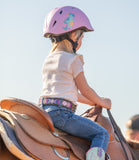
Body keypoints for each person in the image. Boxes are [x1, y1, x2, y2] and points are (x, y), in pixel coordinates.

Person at [39, 6, 111, 160]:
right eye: (82, 37)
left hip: (44, 111)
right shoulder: (73, 60)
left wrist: (93, 103)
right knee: (101, 133)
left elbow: (69, 93)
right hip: (62, 115)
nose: (81, 41)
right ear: (74, 34)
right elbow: (85, 90)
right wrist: (102, 101)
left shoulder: (49, 60)